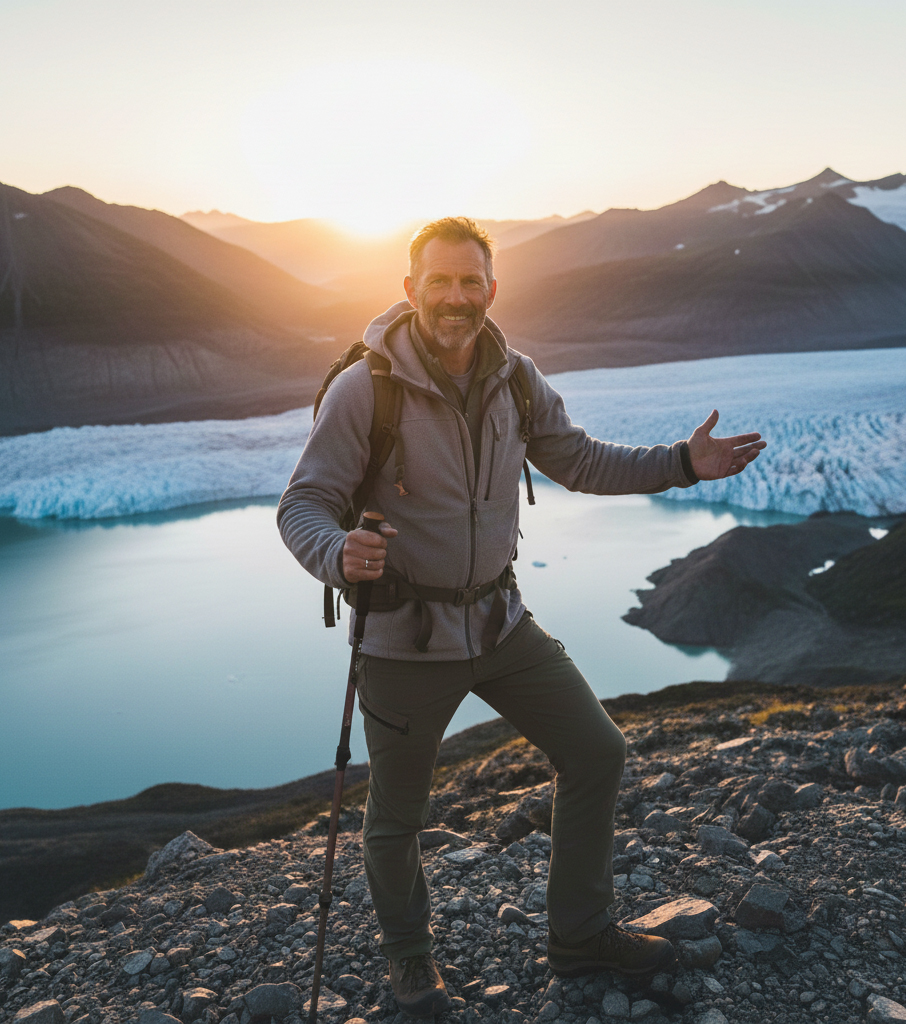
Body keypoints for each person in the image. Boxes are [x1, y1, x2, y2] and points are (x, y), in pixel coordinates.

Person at [277, 217, 765, 1018]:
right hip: (405, 641)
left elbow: (579, 459)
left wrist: (682, 463)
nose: (456, 298)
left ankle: (580, 937)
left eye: (471, 282)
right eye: (440, 282)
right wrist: (337, 554)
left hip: (501, 625)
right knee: (397, 818)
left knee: (597, 751)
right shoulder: (368, 387)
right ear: (410, 290)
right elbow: (305, 503)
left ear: (492, 290)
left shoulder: (516, 377)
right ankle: (411, 964)